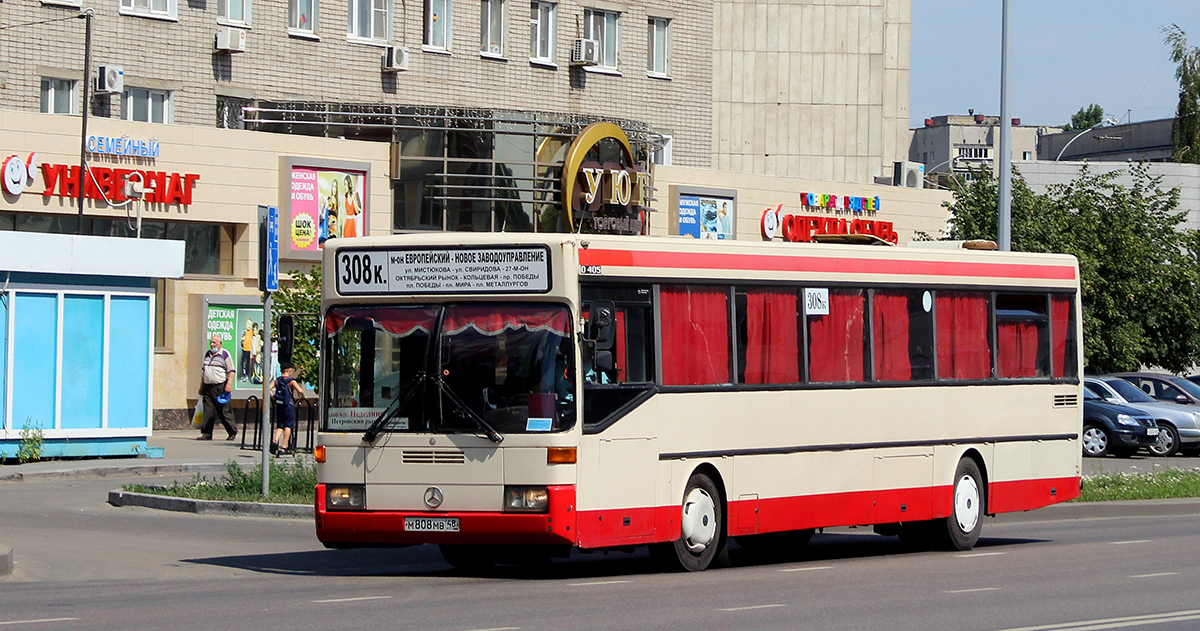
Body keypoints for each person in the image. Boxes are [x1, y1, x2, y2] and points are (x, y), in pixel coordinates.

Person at [199, 333, 238, 441]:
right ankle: (206, 433)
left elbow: (231, 370)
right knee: (207, 410)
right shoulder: (207, 354)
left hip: (220, 386)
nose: (212, 344)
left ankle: (232, 432)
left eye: (214, 342)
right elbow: (204, 371)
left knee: (224, 411)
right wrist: (201, 386)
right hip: (207, 386)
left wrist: (229, 384)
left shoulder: (225, 354)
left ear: (220, 343)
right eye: (211, 342)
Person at [269, 362, 306, 456]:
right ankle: (283, 447)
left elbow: (267, 388)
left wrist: (273, 396)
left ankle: (275, 440)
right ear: (289, 370)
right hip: (288, 406)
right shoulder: (291, 381)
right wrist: (303, 396)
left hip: (279, 405)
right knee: (288, 426)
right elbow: (300, 391)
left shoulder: (277, 380)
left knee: (280, 425)